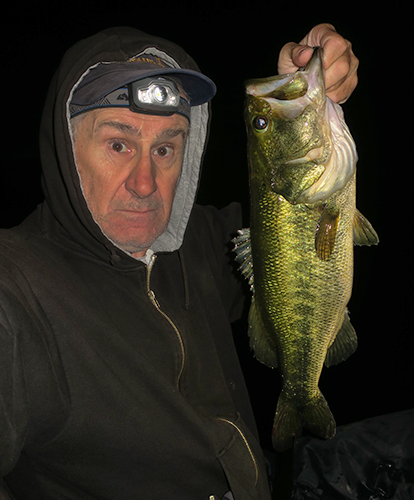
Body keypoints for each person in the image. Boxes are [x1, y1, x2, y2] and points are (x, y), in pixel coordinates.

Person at [0, 23, 358, 500]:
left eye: (166, 149)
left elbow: (288, 229)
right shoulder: (15, 290)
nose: (145, 183)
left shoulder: (203, 243)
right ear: (66, 147)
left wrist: (308, 99)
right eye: (119, 145)